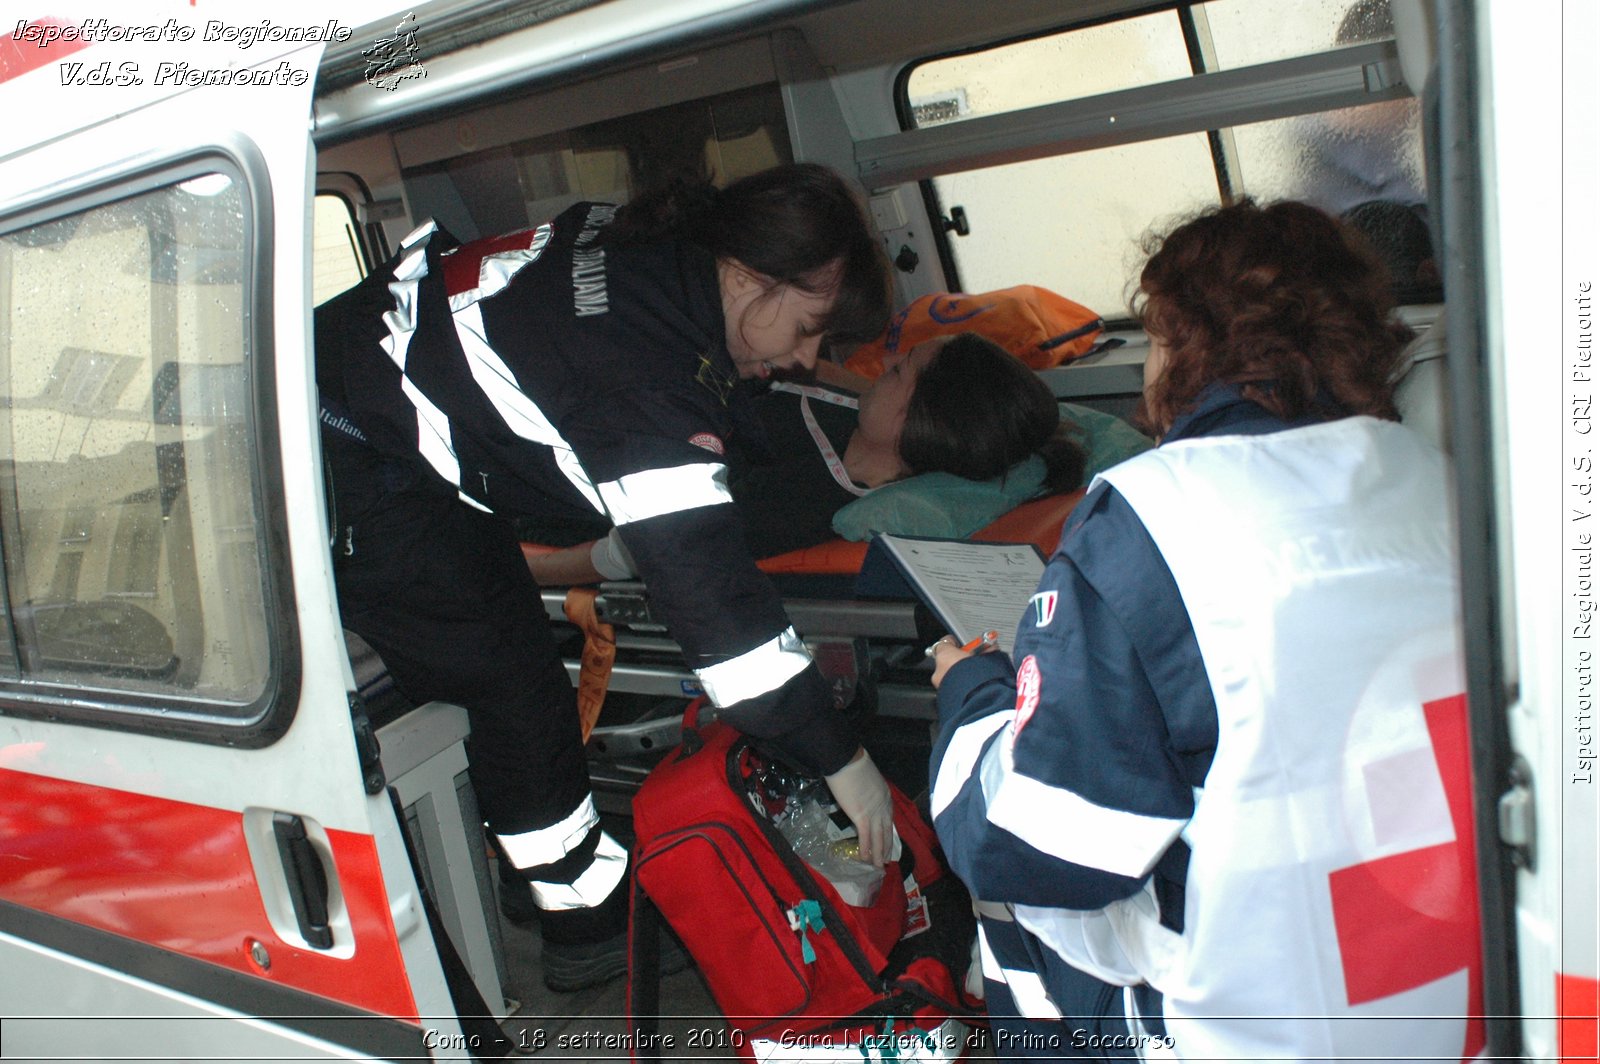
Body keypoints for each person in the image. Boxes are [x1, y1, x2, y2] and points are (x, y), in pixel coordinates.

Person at [315, 163, 897, 991]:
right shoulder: (643, 379)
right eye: (806, 330)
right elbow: (720, 624)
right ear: (751, 277)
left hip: (371, 394)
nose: (805, 360)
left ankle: (547, 880)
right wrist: (842, 758)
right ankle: (580, 919)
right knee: (512, 680)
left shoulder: (646, 246)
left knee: (514, 655)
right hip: (349, 453)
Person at [926, 200, 1476, 1059]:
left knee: (1009, 902)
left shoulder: (1152, 518)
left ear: (1186, 343)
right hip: (1456, 992)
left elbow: (1041, 846)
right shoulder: (1443, 484)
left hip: (1269, 1026)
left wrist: (972, 695)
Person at [525, 331, 1087, 583]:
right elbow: (796, 370)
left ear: (913, 424)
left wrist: (537, 569)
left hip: (560, 467)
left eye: (900, 369)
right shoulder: (859, 410)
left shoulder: (797, 503)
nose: (885, 368)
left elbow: (643, 546)